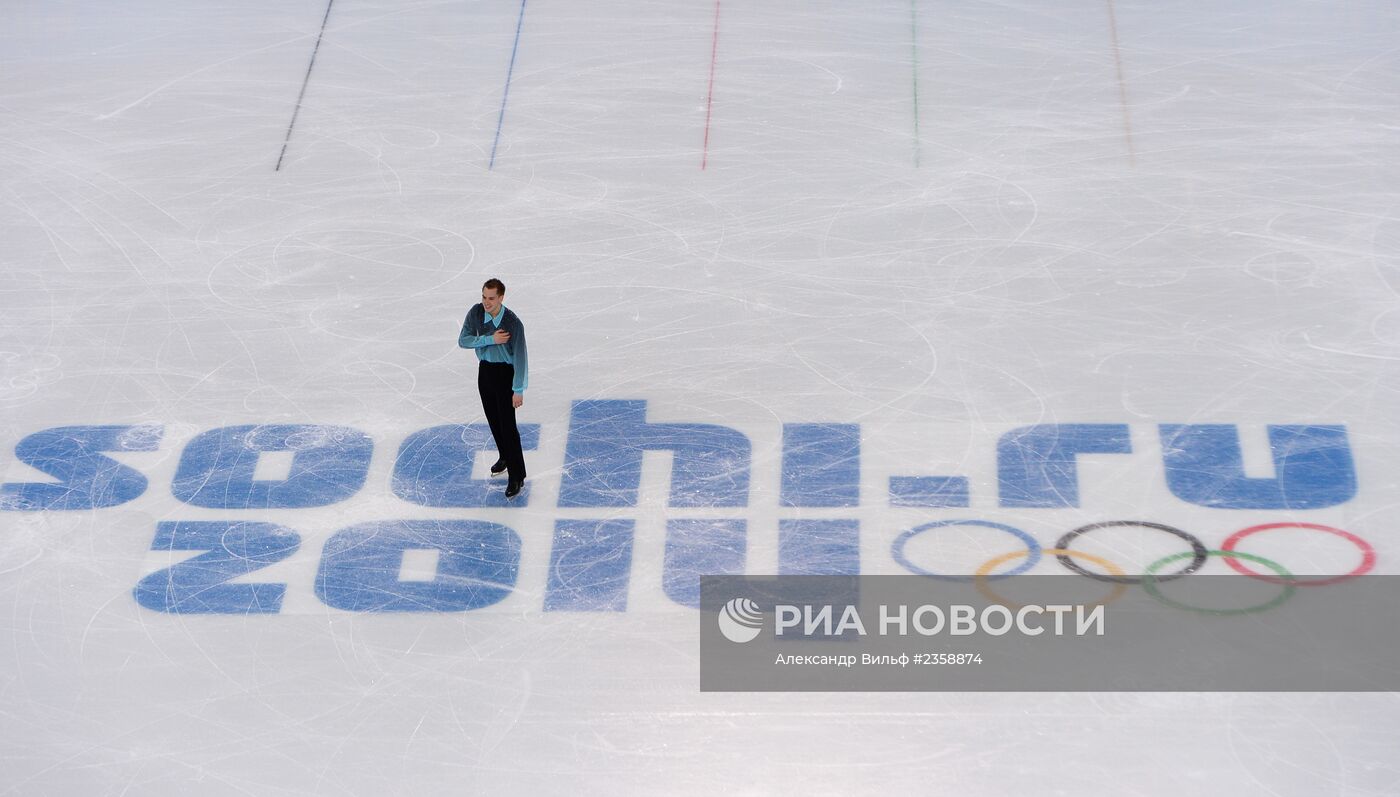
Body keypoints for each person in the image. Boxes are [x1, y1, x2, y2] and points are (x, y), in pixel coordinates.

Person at [457, 278, 528, 497]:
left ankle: (518, 475)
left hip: (505, 375)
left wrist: (518, 389)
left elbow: (521, 358)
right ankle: (505, 456)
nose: (486, 302)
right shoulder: (476, 313)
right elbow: (464, 340)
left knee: (508, 425)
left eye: (491, 298)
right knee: (494, 420)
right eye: (484, 297)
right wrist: (489, 339)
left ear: (501, 297)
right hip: (485, 372)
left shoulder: (513, 323)